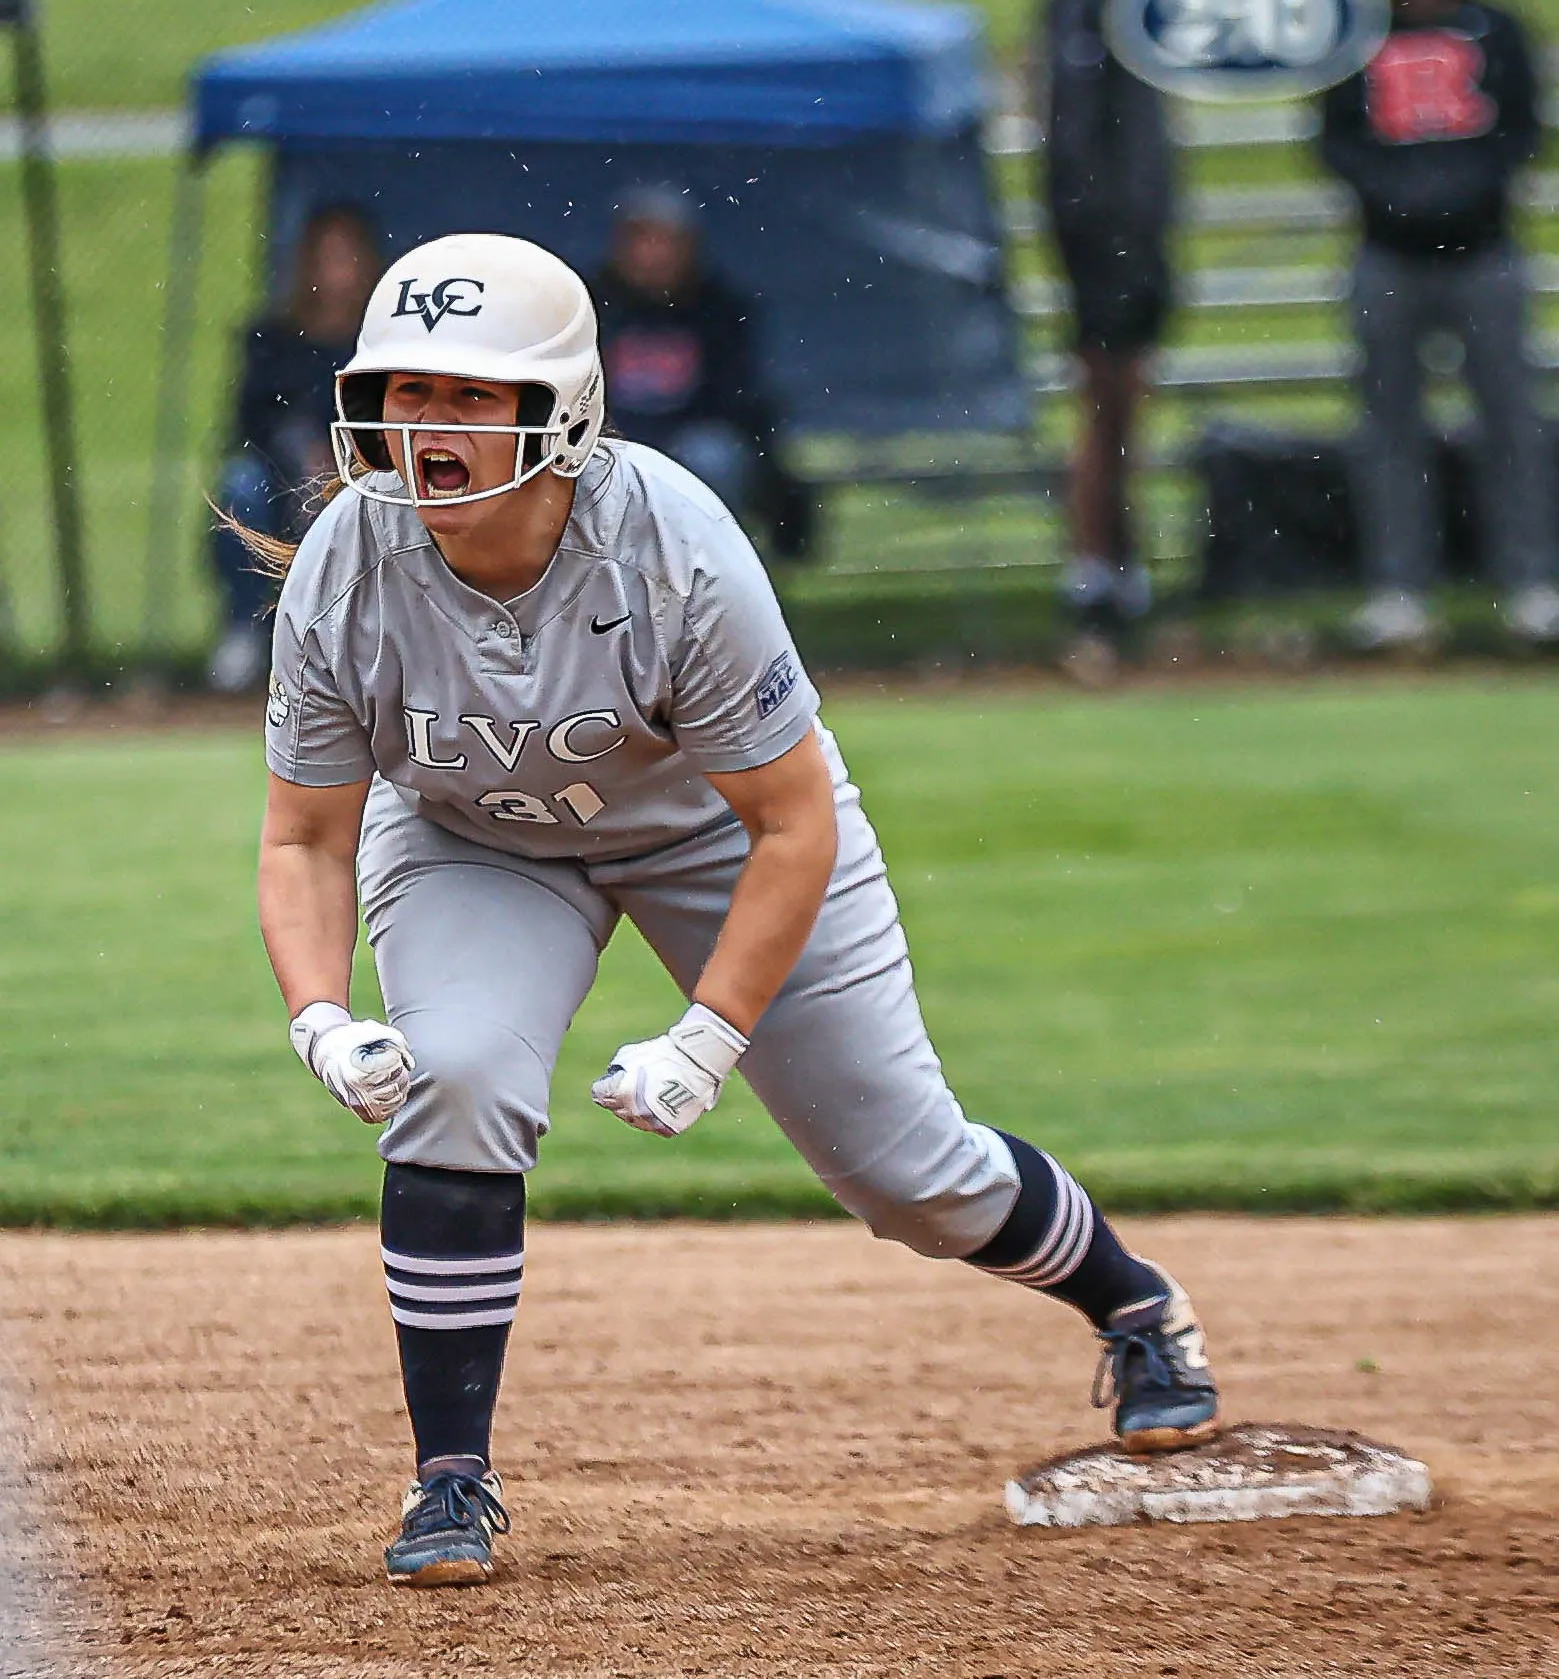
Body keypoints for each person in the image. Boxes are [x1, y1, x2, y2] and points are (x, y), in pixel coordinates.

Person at [249, 232, 1220, 1589]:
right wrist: (317, 1015)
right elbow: (302, 836)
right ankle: (449, 1481)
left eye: (471, 396)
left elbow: (789, 817)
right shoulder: (349, 563)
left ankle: (1128, 1302)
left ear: (560, 411)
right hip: (478, 839)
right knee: (454, 1076)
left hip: (715, 835)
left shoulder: (670, 543)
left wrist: (705, 1039)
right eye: (406, 392)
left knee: (909, 1176)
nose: (428, 430)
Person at [1320, 0, 1558, 651]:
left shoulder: (1498, 28)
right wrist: (1397, 198)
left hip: (1483, 251)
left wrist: (1460, 193)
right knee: (1387, 428)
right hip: (1385, 253)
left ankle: (1530, 584)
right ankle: (1398, 590)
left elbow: (1520, 130)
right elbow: (1333, 139)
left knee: (1510, 422)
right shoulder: (1350, 36)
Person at [1035, 0, 1173, 661]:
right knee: (1102, 407)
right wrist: (1101, 235)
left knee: (1128, 406)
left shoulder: (1140, 7)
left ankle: (1120, 558)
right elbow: (1077, 147)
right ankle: (1095, 564)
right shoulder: (1079, 8)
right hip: (1101, 243)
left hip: (1139, 236)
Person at [208, 204, 383, 693]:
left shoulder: (383, 341)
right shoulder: (272, 338)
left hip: (368, 470)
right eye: (325, 255)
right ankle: (245, 625)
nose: (336, 268)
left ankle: (368, 640)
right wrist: (299, 452)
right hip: (281, 474)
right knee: (239, 485)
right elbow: (250, 424)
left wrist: (350, 458)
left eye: (347, 255)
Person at [590, 186, 815, 562]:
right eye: (641, 240)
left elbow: (735, 398)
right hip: (610, 441)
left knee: (714, 455)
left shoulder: (719, 309)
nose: (652, 253)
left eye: (664, 241)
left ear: (689, 246)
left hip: (687, 443)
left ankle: (703, 569)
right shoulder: (592, 304)